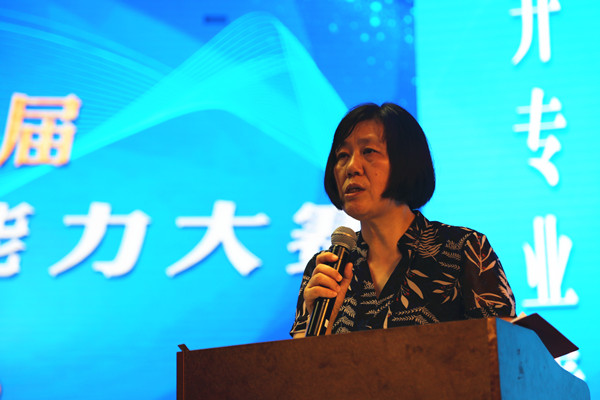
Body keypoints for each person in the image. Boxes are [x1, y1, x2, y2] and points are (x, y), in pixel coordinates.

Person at [291, 103, 516, 338]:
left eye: (369, 151)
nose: (351, 167)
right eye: (342, 156)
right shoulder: (326, 269)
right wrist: (318, 325)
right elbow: (300, 361)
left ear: (406, 161)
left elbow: (505, 350)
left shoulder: (462, 250)